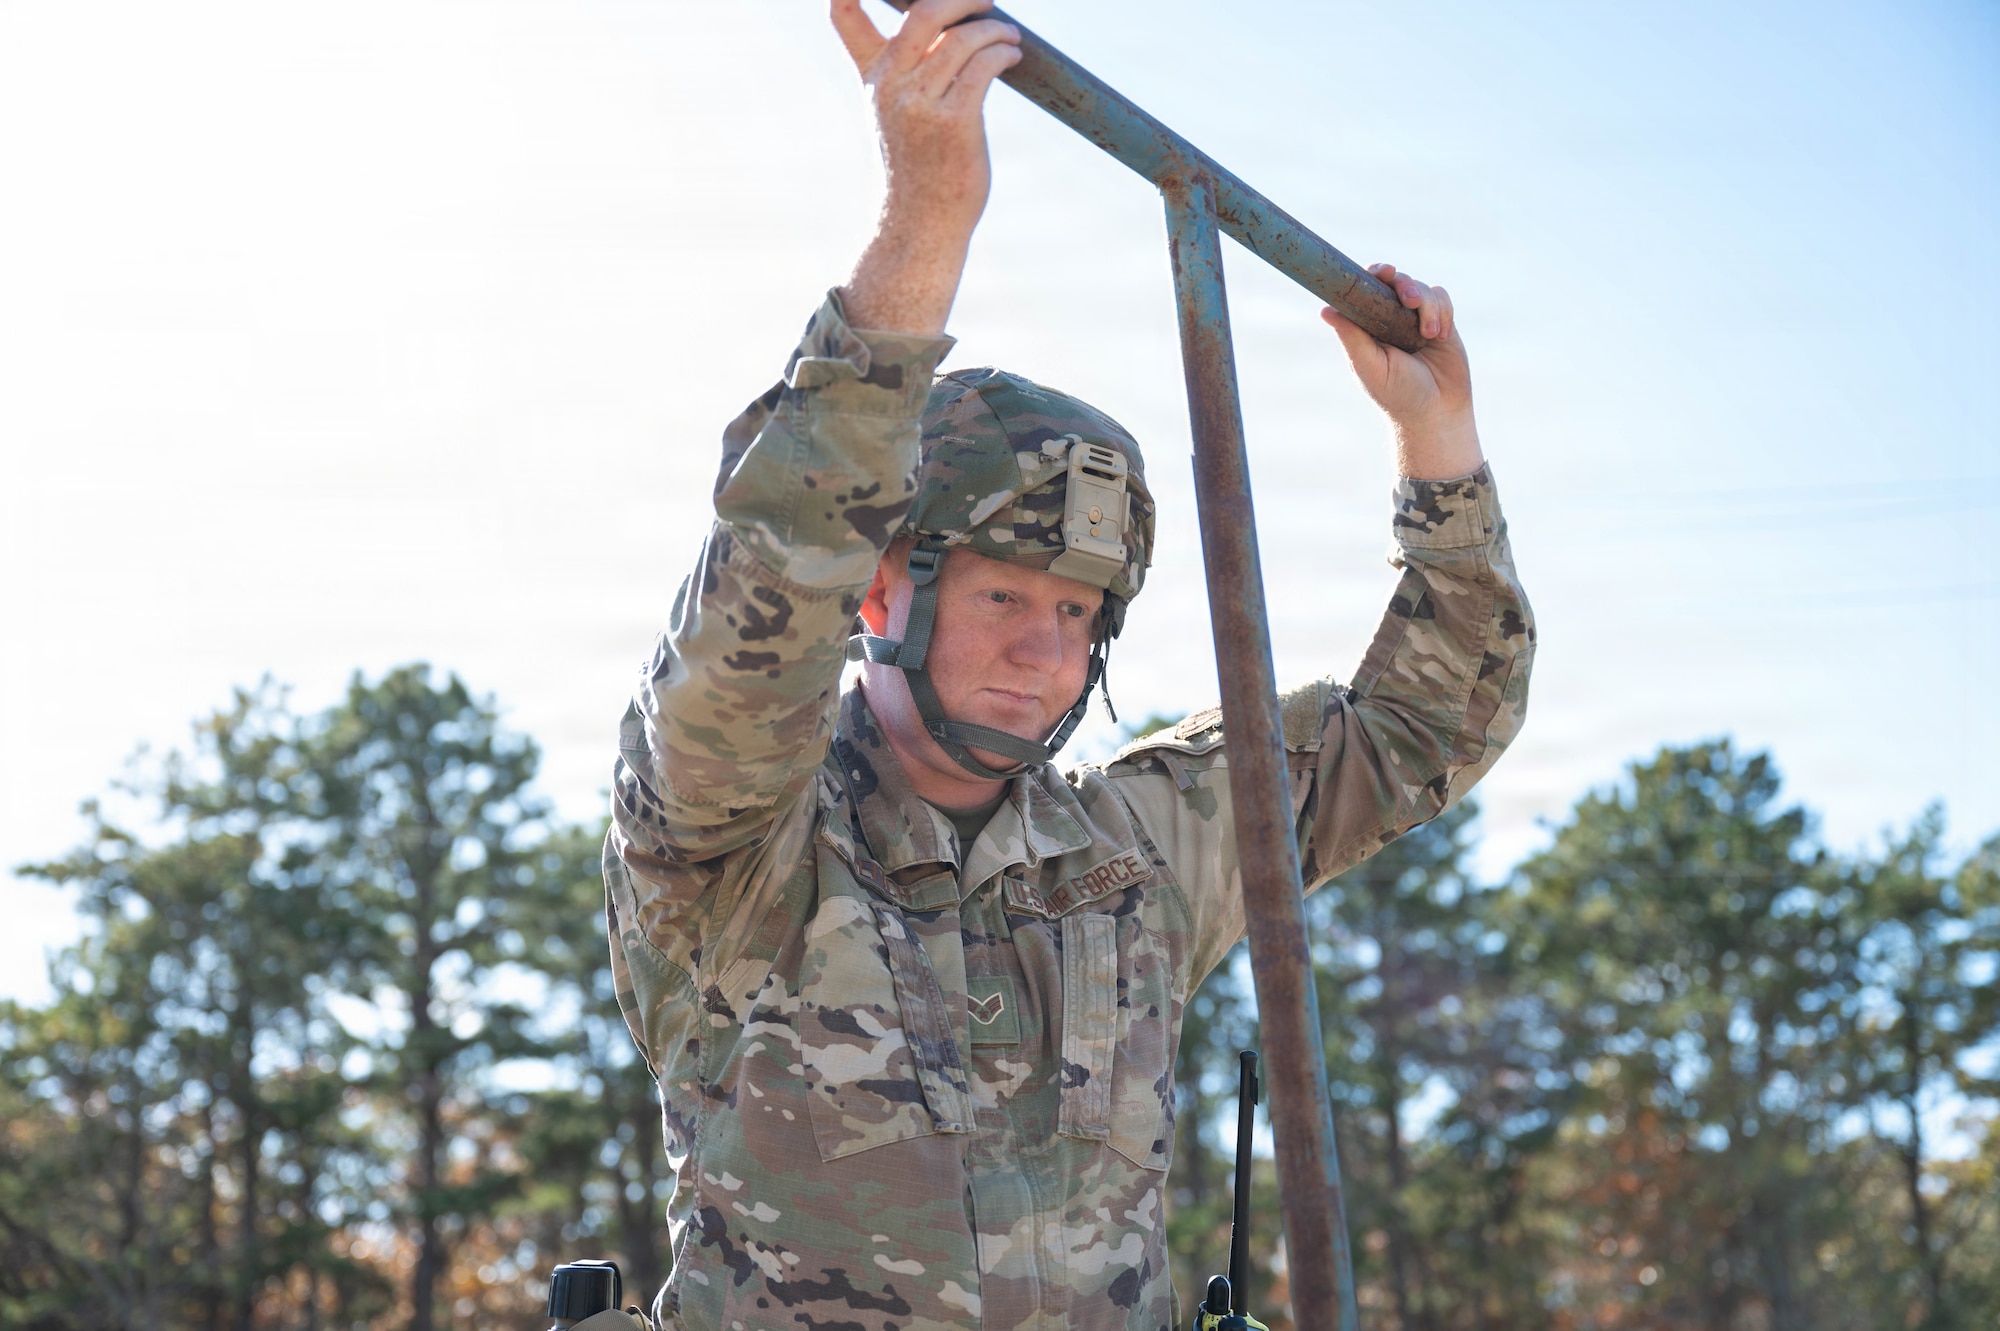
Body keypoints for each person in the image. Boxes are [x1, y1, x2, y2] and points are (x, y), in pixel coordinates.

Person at [602, 1, 1534, 1326]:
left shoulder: (1140, 848)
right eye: (1001, 595)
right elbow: (768, 586)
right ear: (884, 589)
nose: (1047, 648)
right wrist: (926, 225)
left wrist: (1440, 443)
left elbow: (1423, 726)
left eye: (1083, 611)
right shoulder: (737, 838)